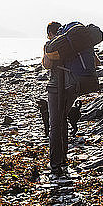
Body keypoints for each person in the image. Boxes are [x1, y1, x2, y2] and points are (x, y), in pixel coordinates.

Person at [42, 22, 77, 177]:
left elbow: (47, 65)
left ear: (50, 33)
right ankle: (63, 159)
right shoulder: (73, 43)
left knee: (55, 125)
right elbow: (96, 62)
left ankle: (55, 164)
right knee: (63, 120)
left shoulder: (51, 44)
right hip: (73, 87)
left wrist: (46, 50)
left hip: (56, 88)